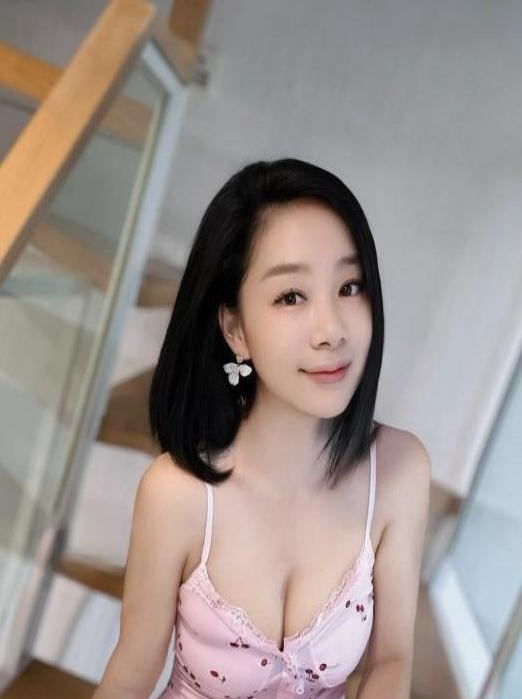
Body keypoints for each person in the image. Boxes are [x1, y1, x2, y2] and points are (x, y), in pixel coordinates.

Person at [91, 159, 430, 699]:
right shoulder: (176, 496)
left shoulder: (398, 471)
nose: (331, 330)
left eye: (350, 286)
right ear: (235, 329)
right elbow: (132, 674)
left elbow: (392, 659)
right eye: (291, 296)